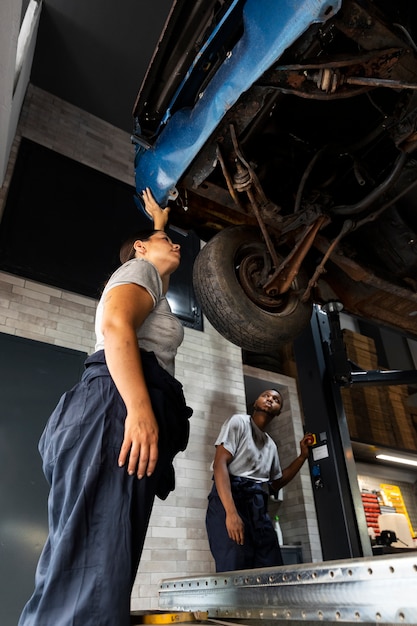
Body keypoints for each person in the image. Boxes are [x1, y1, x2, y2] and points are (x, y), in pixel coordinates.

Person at [18, 188, 192, 626]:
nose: (175, 245)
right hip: (115, 409)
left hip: (108, 411)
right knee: (90, 583)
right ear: (136, 250)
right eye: (164, 241)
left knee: (91, 574)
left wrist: (158, 223)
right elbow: (116, 326)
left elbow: (158, 269)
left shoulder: (152, 279)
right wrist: (139, 410)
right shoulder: (138, 268)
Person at [205, 388, 312, 572]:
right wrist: (231, 514)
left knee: (270, 566)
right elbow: (219, 464)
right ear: (255, 403)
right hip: (230, 497)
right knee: (235, 565)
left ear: (278, 412)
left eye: (276, 399)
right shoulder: (238, 422)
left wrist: (302, 456)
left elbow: (276, 483)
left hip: (257, 504)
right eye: (265, 396)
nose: (270, 399)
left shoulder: (270, 445)